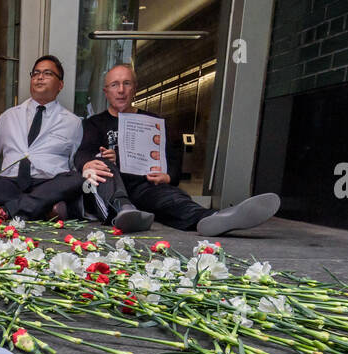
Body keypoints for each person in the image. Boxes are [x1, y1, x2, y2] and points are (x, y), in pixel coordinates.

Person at [77, 63, 280, 236]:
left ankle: (213, 218)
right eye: (114, 85)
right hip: (113, 186)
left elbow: (172, 160)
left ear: (135, 88)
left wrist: (167, 177)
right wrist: (93, 160)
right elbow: (82, 153)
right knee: (102, 166)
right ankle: (124, 211)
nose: (121, 90)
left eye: (126, 83)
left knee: (172, 199)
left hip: (145, 185)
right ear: (106, 91)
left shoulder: (154, 122)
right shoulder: (95, 124)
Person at [0, 54, 87, 222]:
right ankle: (44, 209)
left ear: (60, 85)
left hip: (48, 183)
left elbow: (74, 163)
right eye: (36, 73)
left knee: (75, 179)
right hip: (11, 184)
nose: (40, 77)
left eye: (48, 73)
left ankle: (5, 211)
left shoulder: (73, 122)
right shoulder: (9, 115)